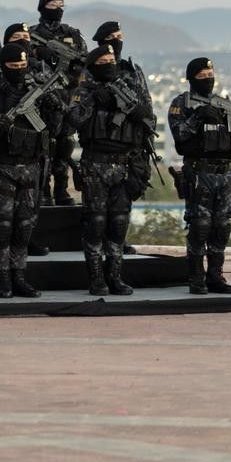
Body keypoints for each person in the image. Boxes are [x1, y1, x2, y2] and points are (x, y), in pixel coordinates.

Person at [66, 45, 156, 295]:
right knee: (95, 222)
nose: (109, 63)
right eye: (103, 61)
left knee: (118, 222)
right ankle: (96, 278)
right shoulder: (84, 91)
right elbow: (73, 121)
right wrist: (93, 100)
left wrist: (138, 112)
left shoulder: (130, 89)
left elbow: (150, 119)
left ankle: (115, 276)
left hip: (125, 163)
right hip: (96, 162)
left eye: (112, 60)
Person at [0, 44, 62, 298]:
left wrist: (54, 108)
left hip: (32, 166)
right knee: (3, 226)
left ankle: (20, 275)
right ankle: (2, 277)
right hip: (2, 165)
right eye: (13, 67)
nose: (18, 71)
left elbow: (53, 130)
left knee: (25, 226)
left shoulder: (35, 91)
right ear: (3, 67)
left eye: (22, 66)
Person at [167, 58, 231, 294]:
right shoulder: (181, 103)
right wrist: (198, 117)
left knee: (222, 226)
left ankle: (215, 276)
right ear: (191, 79)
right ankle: (196, 278)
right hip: (199, 172)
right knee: (200, 226)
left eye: (210, 75)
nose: (208, 79)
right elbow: (180, 135)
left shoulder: (225, 104)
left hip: (225, 173)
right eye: (202, 76)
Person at [29, 0, 86, 205]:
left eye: (61, 4)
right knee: (43, 145)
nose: (58, 8)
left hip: (66, 96)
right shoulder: (33, 34)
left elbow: (84, 60)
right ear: (43, 7)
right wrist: (38, 54)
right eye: (53, 4)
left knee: (64, 145)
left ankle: (61, 189)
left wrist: (73, 66)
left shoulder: (72, 33)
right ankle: (43, 189)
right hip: (41, 99)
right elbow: (19, 59)